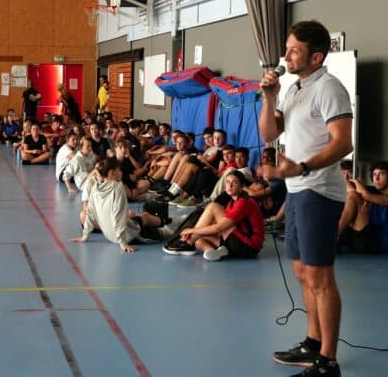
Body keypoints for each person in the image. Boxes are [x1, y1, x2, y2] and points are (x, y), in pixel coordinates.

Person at [259, 20, 353, 377]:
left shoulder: (329, 88)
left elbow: (343, 143)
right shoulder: (294, 89)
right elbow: (269, 133)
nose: (286, 56)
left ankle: (328, 361)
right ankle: (313, 343)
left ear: (316, 56)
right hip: (297, 191)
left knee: (320, 276)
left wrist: (302, 167)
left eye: (294, 50)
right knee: (302, 271)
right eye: (287, 48)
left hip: (319, 191)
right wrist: (269, 97)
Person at [69, 157, 172, 253]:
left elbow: (90, 213)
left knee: (145, 216)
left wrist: (85, 236)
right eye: (119, 170)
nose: (121, 173)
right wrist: (123, 243)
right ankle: (171, 225)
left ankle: (169, 222)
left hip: (109, 235)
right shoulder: (118, 187)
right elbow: (117, 216)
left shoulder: (96, 187)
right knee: (163, 233)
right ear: (111, 173)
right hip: (127, 237)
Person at [164, 170, 265, 261]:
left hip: (248, 246)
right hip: (238, 241)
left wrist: (191, 230)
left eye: (234, 183)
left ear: (242, 186)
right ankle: (211, 251)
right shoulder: (232, 202)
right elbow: (218, 224)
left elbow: (219, 228)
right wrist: (197, 231)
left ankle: (187, 243)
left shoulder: (244, 202)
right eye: (228, 182)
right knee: (199, 237)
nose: (230, 186)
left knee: (213, 207)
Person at [337, 161, 388, 254]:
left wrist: (355, 181)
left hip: (377, 244)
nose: (377, 178)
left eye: (382, 174)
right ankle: (333, 238)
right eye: (374, 174)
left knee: (353, 195)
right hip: (362, 237)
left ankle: (331, 239)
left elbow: (365, 195)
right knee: (349, 196)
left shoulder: (370, 194)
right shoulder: (372, 191)